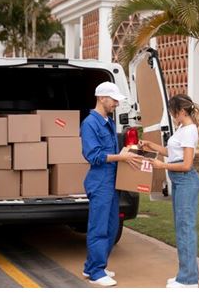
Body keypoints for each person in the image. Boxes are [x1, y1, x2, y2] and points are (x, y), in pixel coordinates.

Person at [139, 94, 199, 288]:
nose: (172, 116)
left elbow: (186, 164)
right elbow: (173, 153)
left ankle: (188, 280)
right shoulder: (182, 128)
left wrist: (162, 166)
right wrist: (152, 146)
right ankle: (187, 275)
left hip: (186, 181)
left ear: (182, 112)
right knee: (182, 228)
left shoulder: (189, 131)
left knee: (186, 229)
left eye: (173, 113)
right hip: (179, 181)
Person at [80, 81, 142, 287]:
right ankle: (97, 271)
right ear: (101, 98)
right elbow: (93, 156)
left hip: (112, 181)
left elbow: (115, 153)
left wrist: (128, 151)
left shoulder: (108, 121)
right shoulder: (90, 123)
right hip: (100, 182)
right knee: (99, 227)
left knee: (112, 225)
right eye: (113, 99)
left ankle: (92, 266)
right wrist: (120, 157)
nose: (116, 103)